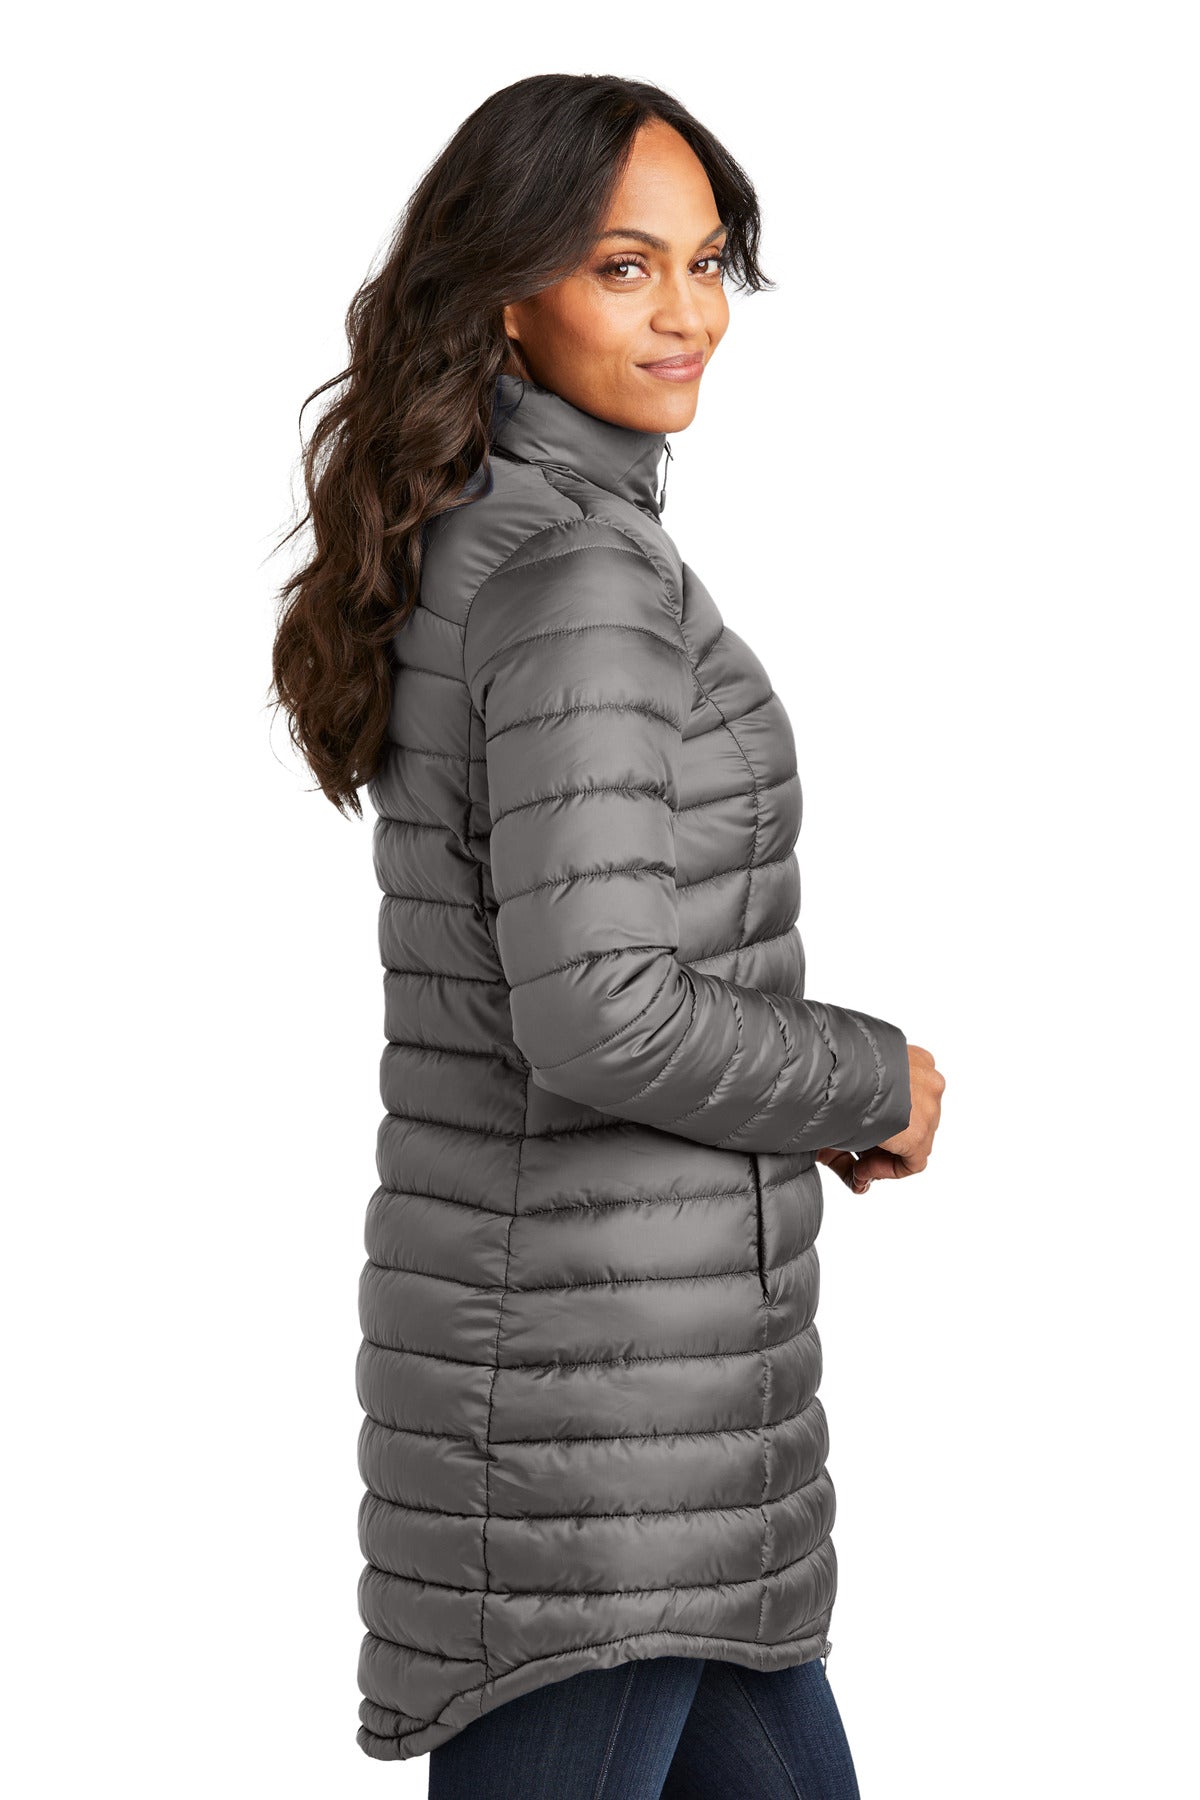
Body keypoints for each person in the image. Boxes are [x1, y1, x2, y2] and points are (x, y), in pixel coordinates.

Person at [270, 71, 944, 1799]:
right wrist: (870, 1079)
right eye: (624, 267)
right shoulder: (573, 577)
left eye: (707, 263)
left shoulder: (512, 534)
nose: (687, 314)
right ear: (511, 296)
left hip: (651, 1425)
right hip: (594, 1451)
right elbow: (599, 1012)